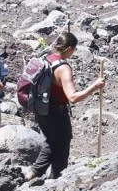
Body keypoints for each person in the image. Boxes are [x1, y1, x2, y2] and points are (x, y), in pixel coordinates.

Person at [23, 33, 105, 181]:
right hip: (55, 112)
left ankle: (54, 176)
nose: (73, 52)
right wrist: (95, 86)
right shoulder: (63, 68)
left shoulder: (46, 57)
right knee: (55, 144)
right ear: (68, 49)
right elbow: (73, 97)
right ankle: (38, 173)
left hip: (41, 108)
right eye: (74, 49)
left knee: (60, 141)